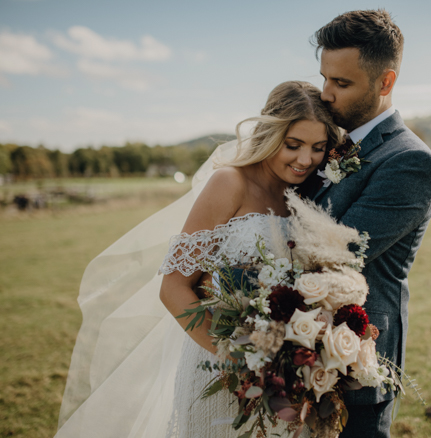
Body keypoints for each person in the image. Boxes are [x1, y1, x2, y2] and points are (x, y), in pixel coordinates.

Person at [54, 81, 340, 438]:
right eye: (293, 145)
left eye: (318, 147)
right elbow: (173, 287)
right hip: (220, 368)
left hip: (284, 374)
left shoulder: (305, 192)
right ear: (270, 134)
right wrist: (239, 362)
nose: (305, 160)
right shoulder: (229, 183)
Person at [306, 10, 431, 438]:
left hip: (358, 362)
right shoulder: (324, 140)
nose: (325, 94)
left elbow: (335, 256)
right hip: (297, 349)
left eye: (341, 84)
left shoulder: (408, 161)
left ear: (385, 82)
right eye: (324, 78)